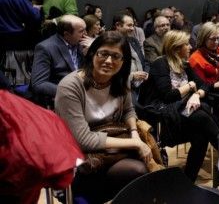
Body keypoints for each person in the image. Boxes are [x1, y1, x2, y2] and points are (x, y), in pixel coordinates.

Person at [55, 31, 150, 203]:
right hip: (83, 158)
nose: (108, 61)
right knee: (138, 171)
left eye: (116, 56)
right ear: (92, 54)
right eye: (103, 53)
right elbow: (82, 139)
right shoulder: (70, 86)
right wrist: (135, 143)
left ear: (123, 61)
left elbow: (129, 110)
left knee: (144, 171)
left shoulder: (120, 80)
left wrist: (135, 133)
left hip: (113, 149)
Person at [139, 30, 219, 181]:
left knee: (201, 133)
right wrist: (190, 86)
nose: (190, 47)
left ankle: (189, 180)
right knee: (202, 115)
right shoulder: (160, 64)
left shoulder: (185, 65)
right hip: (165, 119)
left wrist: (196, 94)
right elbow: (168, 96)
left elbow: (204, 85)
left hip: (186, 114)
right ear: (176, 48)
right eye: (186, 44)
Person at [31, 15, 89, 99]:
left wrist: (92, 52)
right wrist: (71, 91)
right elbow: (39, 84)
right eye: (81, 31)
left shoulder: (81, 44)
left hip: (83, 91)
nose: (85, 34)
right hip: (60, 97)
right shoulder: (45, 48)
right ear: (66, 34)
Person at [113, 13, 149, 88]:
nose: (132, 28)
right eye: (129, 25)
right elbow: (110, 72)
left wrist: (146, 73)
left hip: (142, 85)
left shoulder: (134, 41)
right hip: (122, 87)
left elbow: (144, 61)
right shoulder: (110, 43)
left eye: (133, 25)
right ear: (118, 25)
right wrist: (132, 76)